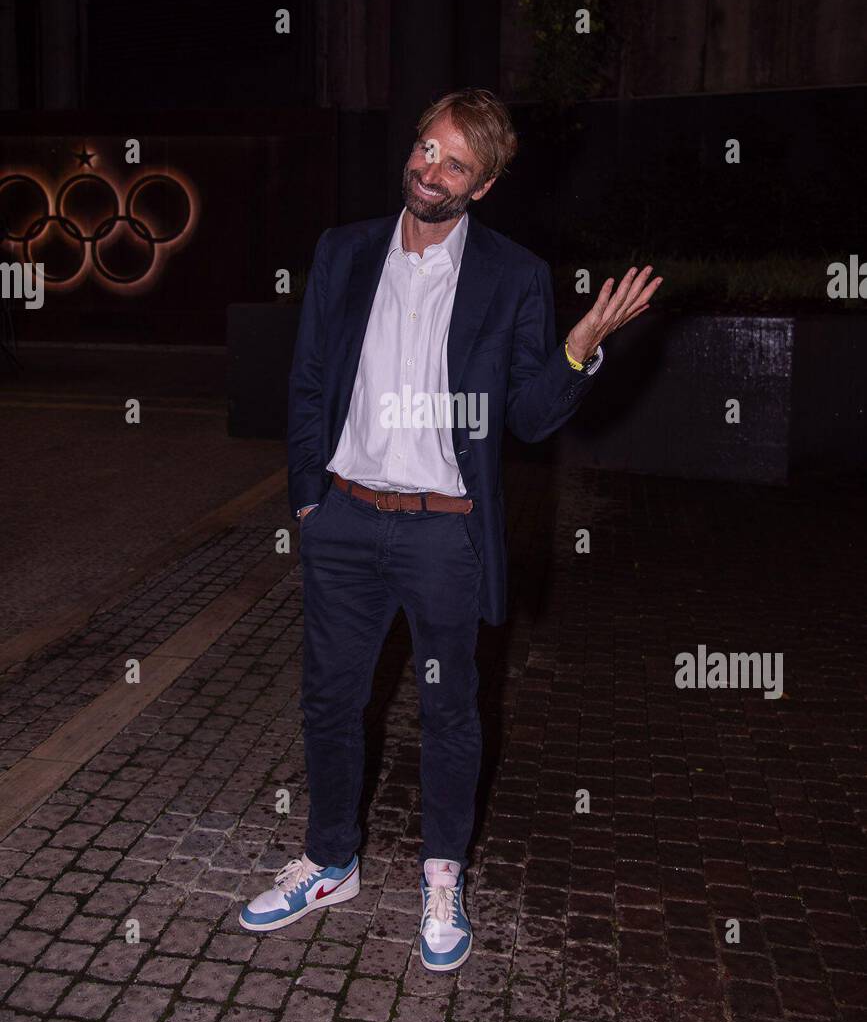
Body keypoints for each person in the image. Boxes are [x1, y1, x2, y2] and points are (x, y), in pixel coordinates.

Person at [240, 88, 661, 970]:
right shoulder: (345, 251)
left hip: (444, 534)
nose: (429, 171)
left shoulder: (511, 275)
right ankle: (327, 861)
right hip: (346, 519)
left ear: (485, 184)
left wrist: (579, 343)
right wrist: (309, 503)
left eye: (453, 164)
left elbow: (532, 416)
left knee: (448, 710)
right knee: (330, 701)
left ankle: (441, 876)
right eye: (425, 150)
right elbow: (309, 379)